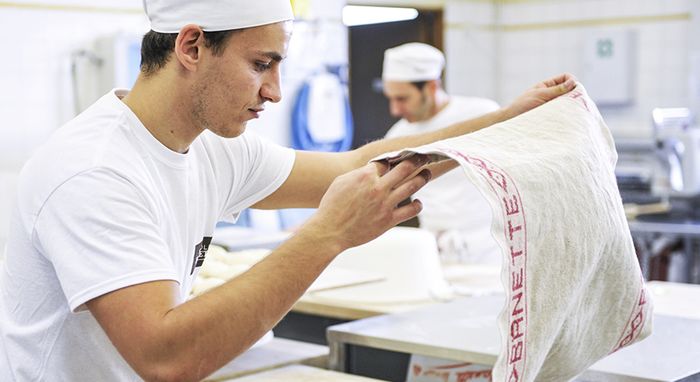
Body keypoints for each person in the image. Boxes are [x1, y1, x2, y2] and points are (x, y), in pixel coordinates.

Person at [0, 0, 575, 380]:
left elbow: (358, 165)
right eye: (261, 64)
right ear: (193, 46)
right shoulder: (97, 171)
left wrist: (505, 125)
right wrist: (328, 235)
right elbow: (165, 356)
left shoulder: (212, 147)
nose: (275, 92)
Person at [382, 42, 501, 264]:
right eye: (391, 98)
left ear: (431, 87)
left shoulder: (480, 114)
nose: (395, 110)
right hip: (432, 252)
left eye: (402, 99)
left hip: (489, 250)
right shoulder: (397, 135)